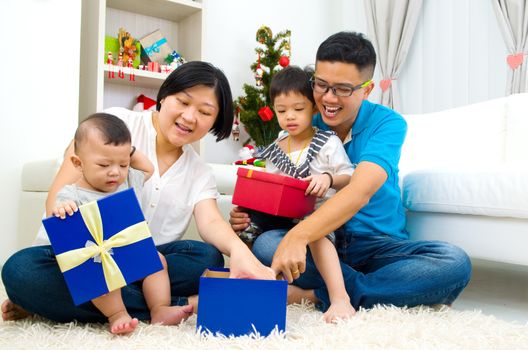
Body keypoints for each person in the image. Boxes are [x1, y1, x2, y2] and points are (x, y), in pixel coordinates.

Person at [1, 61, 275, 324]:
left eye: (205, 112)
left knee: (206, 257)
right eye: (183, 101)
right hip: (78, 254)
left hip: (143, 264)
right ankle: (176, 303)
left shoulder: (199, 172)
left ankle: (58, 303)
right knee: (21, 270)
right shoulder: (116, 125)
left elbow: (211, 221)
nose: (189, 117)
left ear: (216, 120)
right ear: (165, 96)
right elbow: (60, 194)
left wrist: (240, 253)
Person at [230, 32, 472, 313]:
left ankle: (316, 294)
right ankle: (367, 290)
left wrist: (297, 238)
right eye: (321, 84)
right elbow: (285, 191)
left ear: (367, 90)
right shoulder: (305, 124)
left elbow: (359, 191)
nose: (328, 98)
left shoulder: (387, 123)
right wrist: (251, 216)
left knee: (453, 263)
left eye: (342, 89)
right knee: (267, 244)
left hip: (377, 245)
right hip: (319, 239)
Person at [42, 112, 195, 334]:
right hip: (96, 259)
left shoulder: (126, 181)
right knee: (100, 273)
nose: (115, 172)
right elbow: (58, 216)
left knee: (158, 260)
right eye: (104, 164)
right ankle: (117, 314)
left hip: (125, 252)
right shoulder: (71, 193)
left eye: (123, 164)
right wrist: (62, 208)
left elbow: (148, 168)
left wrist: (127, 152)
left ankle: (159, 308)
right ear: (78, 163)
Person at [238, 65, 355, 323]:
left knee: (315, 232)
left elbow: (349, 177)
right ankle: (253, 284)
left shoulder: (327, 142)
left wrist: (328, 178)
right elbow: (270, 187)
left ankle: (340, 298)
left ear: (313, 107)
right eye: (281, 111)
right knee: (254, 231)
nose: (289, 116)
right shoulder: (276, 149)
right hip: (284, 220)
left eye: (298, 109)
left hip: (320, 217)